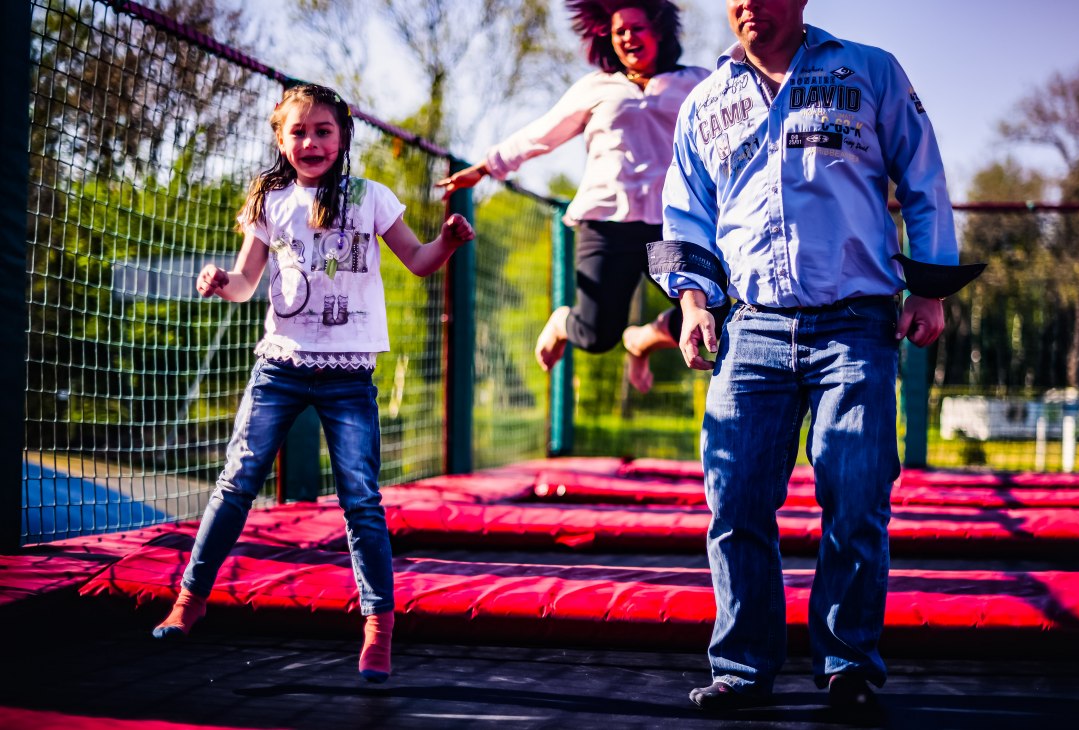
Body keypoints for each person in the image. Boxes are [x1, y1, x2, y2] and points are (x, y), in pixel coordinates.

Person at [648, 0, 983, 713]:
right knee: (734, 501)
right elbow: (687, 212)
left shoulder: (869, 72)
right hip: (751, 328)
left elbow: (923, 180)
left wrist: (928, 289)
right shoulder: (706, 101)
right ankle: (741, 667)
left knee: (856, 498)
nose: (747, 6)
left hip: (855, 327)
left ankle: (848, 663)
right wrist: (694, 302)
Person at [151, 83, 476, 685]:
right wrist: (222, 280)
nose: (311, 142)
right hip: (280, 367)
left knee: (360, 498)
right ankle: (189, 600)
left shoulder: (370, 197)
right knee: (237, 480)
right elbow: (249, 282)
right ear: (281, 140)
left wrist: (449, 243)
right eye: (298, 132)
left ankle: (378, 625)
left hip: (349, 375)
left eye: (323, 131)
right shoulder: (270, 202)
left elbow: (419, 260)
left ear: (343, 137)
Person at [436, 0, 725, 393]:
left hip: (668, 227)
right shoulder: (597, 87)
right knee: (597, 334)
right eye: (620, 31)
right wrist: (487, 167)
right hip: (606, 224)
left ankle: (645, 338)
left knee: (719, 313)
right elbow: (541, 133)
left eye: (637, 28)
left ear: (659, 31)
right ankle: (562, 321)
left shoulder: (696, 82)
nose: (627, 38)